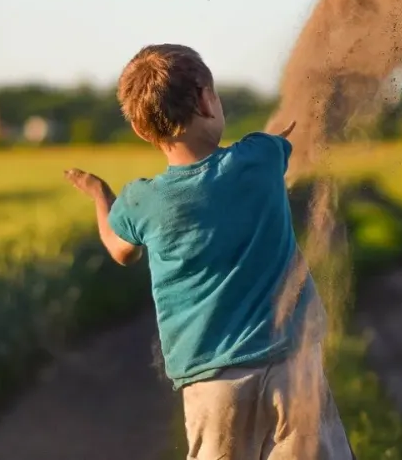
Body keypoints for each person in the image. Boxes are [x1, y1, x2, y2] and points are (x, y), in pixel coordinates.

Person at [64, 43, 354, 460]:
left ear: (142, 131)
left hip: (212, 385)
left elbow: (119, 249)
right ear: (205, 99)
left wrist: (99, 193)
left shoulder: (140, 201)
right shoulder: (260, 156)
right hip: (293, 368)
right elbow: (284, 138)